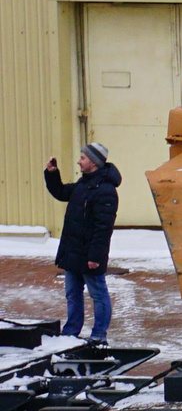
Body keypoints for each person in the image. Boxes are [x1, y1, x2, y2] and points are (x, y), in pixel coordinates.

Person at [43, 142, 119, 340]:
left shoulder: (105, 190)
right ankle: (71, 333)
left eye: (82, 158)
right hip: (73, 253)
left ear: (93, 162)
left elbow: (103, 228)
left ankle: (99, 336)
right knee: (72, 294)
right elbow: (61, 192)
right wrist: (52, 174)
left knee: (98, 295)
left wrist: (95, 257)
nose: (79, 161)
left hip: (89, 256)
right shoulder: (83, 184)